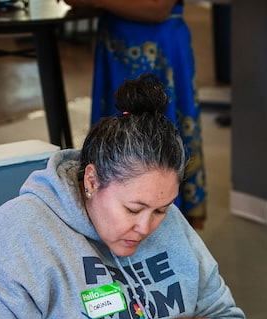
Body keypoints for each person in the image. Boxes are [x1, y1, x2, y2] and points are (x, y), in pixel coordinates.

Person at [0, 75, 243, 319]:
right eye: (132, 209)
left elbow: (227, 318)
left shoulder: (165, 214)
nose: (146, 227)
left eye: (161, 211)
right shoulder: (20, 233)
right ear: (91, 181)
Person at [62, 0, 206, 228]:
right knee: (113, 134)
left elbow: (158, 8)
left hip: (159, 44)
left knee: (161, 138)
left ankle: (161, 218)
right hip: (115, 42)